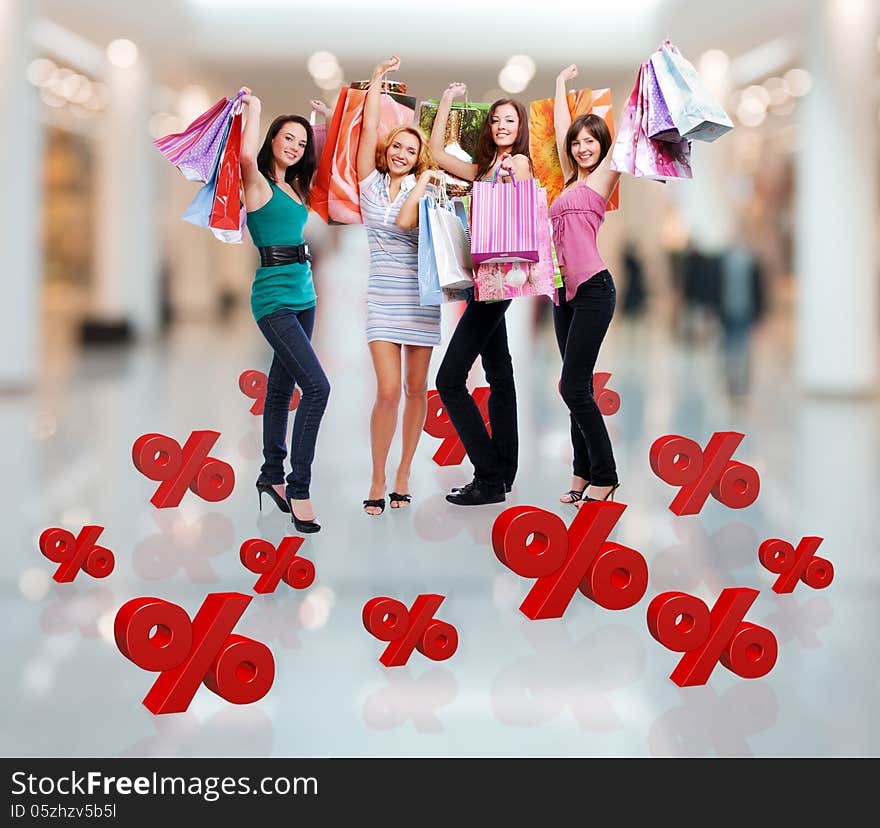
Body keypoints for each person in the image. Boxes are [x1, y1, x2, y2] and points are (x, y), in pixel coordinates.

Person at [427, 83, 532, 506]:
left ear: (521, 127)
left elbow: (521, 204)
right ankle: (503, 474)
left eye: (510, 120)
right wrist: (448, 100)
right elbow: (436, 154)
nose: (502, 125)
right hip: (484, 279)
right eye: (496, 120)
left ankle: (488, 475)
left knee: (449, 379)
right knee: (500, 374)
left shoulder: (519, 163)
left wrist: (507, 178)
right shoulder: (485, 168)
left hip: (499, 279)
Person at [239, 87, 330, 533]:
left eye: (301, 142)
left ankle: (271, 475)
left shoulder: (295, 188)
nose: (294, 147)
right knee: (317, 388)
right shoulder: (255, 182)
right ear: (272, 139)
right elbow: (241, 155)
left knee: (280, 389)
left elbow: (330, 169)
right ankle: (299, 487)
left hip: (304, 297)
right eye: (287, 138)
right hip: (273, 299)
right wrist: (256, 107)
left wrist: (323, 123)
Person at [356, 56, 440, 516]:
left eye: (411, 151)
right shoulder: (369, 184)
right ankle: (378, 475)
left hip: (420, 297)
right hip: (382, 298)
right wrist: (376, 83)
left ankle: (406, 470)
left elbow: (421, 230)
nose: (401, 154)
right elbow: (368, 130)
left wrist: (424, 181)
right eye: (397, 148)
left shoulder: (425, 188)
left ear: (418, 157)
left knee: (415, 388)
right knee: (387, 390)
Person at [550, 64, 620, 506]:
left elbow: (627, 131)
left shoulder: (603, 177)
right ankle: (581, 473)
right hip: (563, 294)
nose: (580, 148)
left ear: (602, 147)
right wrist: (559, 86)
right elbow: (561, 130)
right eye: (576, 143)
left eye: (590, 142)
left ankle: (606, 474)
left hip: (594, 288)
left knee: (574, 387)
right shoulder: (568, 180)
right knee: (574, 386)